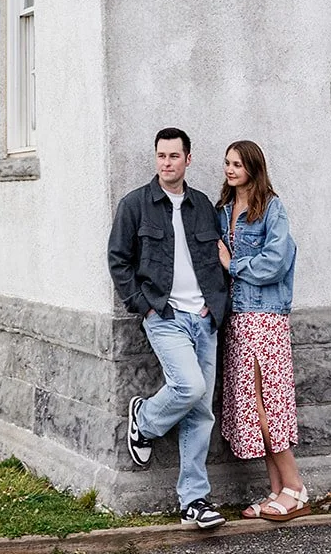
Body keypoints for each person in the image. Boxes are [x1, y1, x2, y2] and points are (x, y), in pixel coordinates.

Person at [107, 128, 228, 530]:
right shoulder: (136, 205)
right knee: (190, 388)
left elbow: (215, 258)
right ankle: (144, 421)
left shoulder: (203, 206)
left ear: (188, 160)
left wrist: (216, 304)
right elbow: (118, 260)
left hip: (204, 319)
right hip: (166, 316)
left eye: (174, 156)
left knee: (201, 412)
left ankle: (194, 501)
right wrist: (144, 307)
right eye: (161, 156)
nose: (166, 163)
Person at [217, 140, 310, 522]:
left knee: (266, 405)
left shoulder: (272, 208)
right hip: (237, 316)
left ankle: (296, 487)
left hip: (265, 317)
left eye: (237, 164)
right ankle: (277, 491)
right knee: (253, 410)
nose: (230, 169)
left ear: (254, 168)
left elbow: (274, 262)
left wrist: (233, 264)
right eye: (227, 163)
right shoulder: (224, 211)